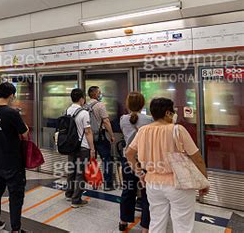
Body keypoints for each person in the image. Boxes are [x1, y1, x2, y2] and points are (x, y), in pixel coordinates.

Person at [126, 98, 209, 233]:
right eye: (173, 111)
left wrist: (140, 174)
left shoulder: (143, 130)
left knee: (156, 221)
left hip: (152, 184)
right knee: (182, 224)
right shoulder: (178, 130)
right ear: (167, 113)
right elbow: (197, 158)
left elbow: (129, 154)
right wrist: (204, 181)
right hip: (179, 183)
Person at [0, 82, 29, 233]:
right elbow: (24, 133)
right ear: (11, 95)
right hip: (13, 162)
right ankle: (16, 229)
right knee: (16, 196)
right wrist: (19, 117)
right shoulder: (12, 113)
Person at [119, 92, 152, 232]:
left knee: (128, 190)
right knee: (147, 193)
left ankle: (123, 221)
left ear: (128, 104)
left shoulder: (122, 119)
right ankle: (145, 227)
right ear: (143, 104)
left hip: (128, 160)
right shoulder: (149, 120)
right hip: (145, 160)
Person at [65, 88, 95, 208]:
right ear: (81, 99)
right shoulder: (84, 113)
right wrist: (92, 148)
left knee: (71, 170)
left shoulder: (67, 110)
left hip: (71, 146)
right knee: (80, 173)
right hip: (82, 147)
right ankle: (76, 200)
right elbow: (88, 132)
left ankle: (69, 193)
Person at [87, 86, 115, 191]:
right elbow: (106, 121)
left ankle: (95, 183)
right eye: (99, 92)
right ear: (95, 94)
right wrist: (111, 135)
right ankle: (108, 184)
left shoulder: (85, 106)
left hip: (89, 136)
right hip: (100, 136)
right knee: (107, 159)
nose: (100, 94)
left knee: (92, 160)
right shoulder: (100, 105)